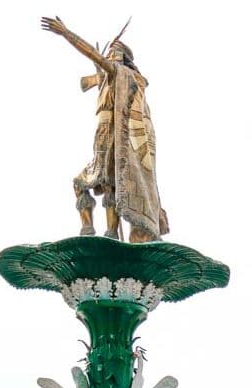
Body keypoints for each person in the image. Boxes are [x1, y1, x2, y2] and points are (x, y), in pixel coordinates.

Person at [41, 16, 169, 242]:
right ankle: (93, 230)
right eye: (109, 55)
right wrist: (97, 72)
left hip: (113, 136)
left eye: (114, 55)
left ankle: (106, 232)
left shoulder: (122, 74)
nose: (110, 59)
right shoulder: (110, 79)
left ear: (124, 60)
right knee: (99, 182)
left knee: (100, 182)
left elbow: (93, 54)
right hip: (101, 136)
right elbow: (89, 79)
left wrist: (66, 33)